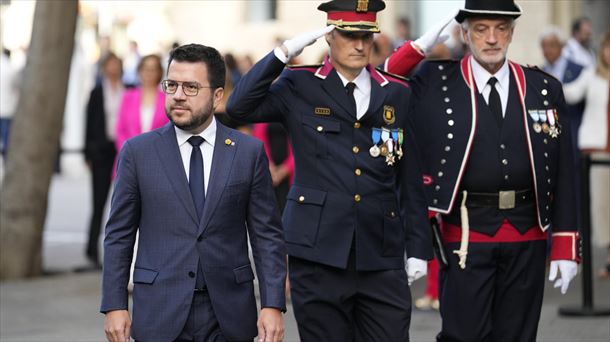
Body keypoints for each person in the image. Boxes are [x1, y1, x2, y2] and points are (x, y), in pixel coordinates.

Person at [226, 1, 438, 340]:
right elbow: (238, 107)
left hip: (380, 251)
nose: (358, 44)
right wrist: (281, 54)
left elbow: (408, 177)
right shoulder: (300, 86)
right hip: (318, 252)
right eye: (348, 35)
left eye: (366, 37)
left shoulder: (396, 92)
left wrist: (417, 247)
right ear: (329, 36)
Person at [385, 0, 581, 340]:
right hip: (464, 237)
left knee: (518, 335)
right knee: (463, 335)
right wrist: (418, 47)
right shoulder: (435, 81)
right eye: (481, 29)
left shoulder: (543, 88)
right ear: (465, 33)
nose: (492, 38)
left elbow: (564, 170)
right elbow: (384, 79)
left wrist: (566, 243)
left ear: (511, 33)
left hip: (527, 236)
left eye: (501, 29)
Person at [101, 44, 286, 342]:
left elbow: (266, 235)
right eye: (171, 85)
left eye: (190, 87)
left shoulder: (247, 152)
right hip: (159, 309)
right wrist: (114, 305)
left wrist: (273, 304)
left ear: (216, 95)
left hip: (229, 312)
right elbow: (119, 235)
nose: (177, 95)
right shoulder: (138, 152)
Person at [563, 30, 610, 278]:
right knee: (602, 206)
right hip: (597, 151)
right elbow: (570, 93)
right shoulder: (592, 75)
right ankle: (609, 255)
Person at [82, 52, 124, 269]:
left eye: (117, 64)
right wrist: (87, 153)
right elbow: (88, 123)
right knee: (98, 202)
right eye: (110, 64)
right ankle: (91, 250)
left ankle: (121, 254)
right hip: (101, 150)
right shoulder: (97, 93)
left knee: (123, 202)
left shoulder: (128, 91)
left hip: (123, 148)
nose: (114, 68)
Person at [115, 54, 168, 156]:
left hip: (157, 157)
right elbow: (120, 130)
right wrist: (128, 152)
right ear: (140, 70)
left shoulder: (167, 99)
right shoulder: (128, 96)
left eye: (153, 69)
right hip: (128, 157)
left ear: (159, 72)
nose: (149, 73)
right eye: (146, 68)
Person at [0, 48, 18, 159]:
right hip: (7, 108)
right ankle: (6, 155)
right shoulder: (11, 69)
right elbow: (16, 87)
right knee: (6, 135)